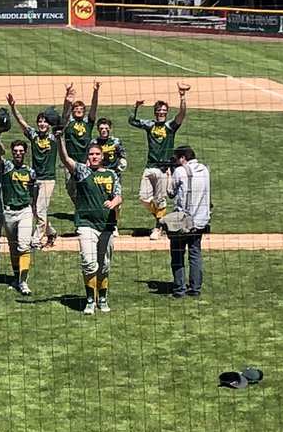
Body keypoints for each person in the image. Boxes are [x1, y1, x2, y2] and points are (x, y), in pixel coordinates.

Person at [57, 138, 122, 315]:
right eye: (91, 154)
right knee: (88, 262)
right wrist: (58, 138)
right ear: (88, 157)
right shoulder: (82, 171)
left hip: (107, 225)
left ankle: (103, 298)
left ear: (102, 156)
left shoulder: (111, 174)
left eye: (97, 154)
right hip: (86, 224)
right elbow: (65, 158)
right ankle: (90, 300)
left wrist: (113, 202)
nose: (94, 157)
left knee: (104, 265)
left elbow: (119, 195)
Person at [128, 83, 190, 239]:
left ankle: (158, 228)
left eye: (164, 111)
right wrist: (135, 106)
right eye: (159, 111)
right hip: (150, 166)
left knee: (161, 199)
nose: (161, 113)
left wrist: (182, 96)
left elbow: (182, 114)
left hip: (164, 168)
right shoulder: (150, 125)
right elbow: (132, 120)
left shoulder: (170, 126)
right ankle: (160, 219)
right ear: (155, 112)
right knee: (144, 198)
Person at [0, 137, 36, 295]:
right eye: (15, 151)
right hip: (9, 212)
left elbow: (34, 192)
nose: (18, 154)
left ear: (25, 152)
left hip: (24, 210)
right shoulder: (6, 166)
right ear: (12, 152)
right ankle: (16, 277)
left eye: (21, 151)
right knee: (13, 248)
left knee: (23, 246)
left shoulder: (30, 172)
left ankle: (23, 282)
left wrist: (35, 210)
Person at [7, 94, 59, 248]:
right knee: (36, 210)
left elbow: (62, 122)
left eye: (45, 121)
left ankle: (35, 240)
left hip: (48, 178)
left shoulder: (54, 137)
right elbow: (21, 122)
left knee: (41, 210)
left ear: (49, 124)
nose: (42, 124)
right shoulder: (34, 136)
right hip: (34, 179)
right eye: (40, 121)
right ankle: (51, 232)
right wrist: (13, 107)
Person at [161, 146, 211, 298]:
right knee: (195, 254)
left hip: (183, 222)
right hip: (201, 220)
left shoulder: (181, 171)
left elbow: (170, 193)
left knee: (177, 255)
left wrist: (169, 175)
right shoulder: (205, 169)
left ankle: (179, 289)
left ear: (183, 158)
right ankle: (195, 289)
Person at [62, 82, 100, 204]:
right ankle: (79, 206)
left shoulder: (87, 123)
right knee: (70, 188)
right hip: (70, 162)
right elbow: (65, 114)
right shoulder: (68, 123)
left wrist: (95, 92)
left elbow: (93, 109)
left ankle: (85, 209)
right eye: (76, 109)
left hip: (85, 162)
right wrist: (67, 97)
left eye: (81, 109)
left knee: (86, 187)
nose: (79, 111)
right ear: (73, 111)